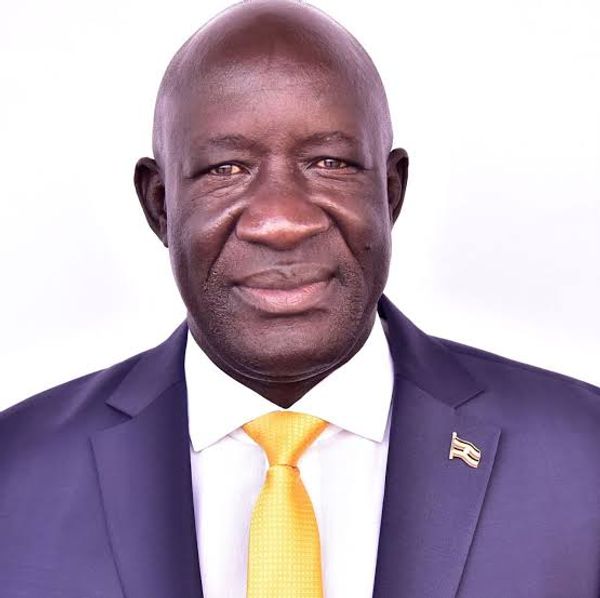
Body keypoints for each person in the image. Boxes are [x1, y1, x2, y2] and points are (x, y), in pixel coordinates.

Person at [1, 1, 599, 597]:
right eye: (226, 169)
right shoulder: (15, 472)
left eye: (329, 163)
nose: (281, 221)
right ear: (160, 205)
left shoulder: (584, 455)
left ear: (390, 192)